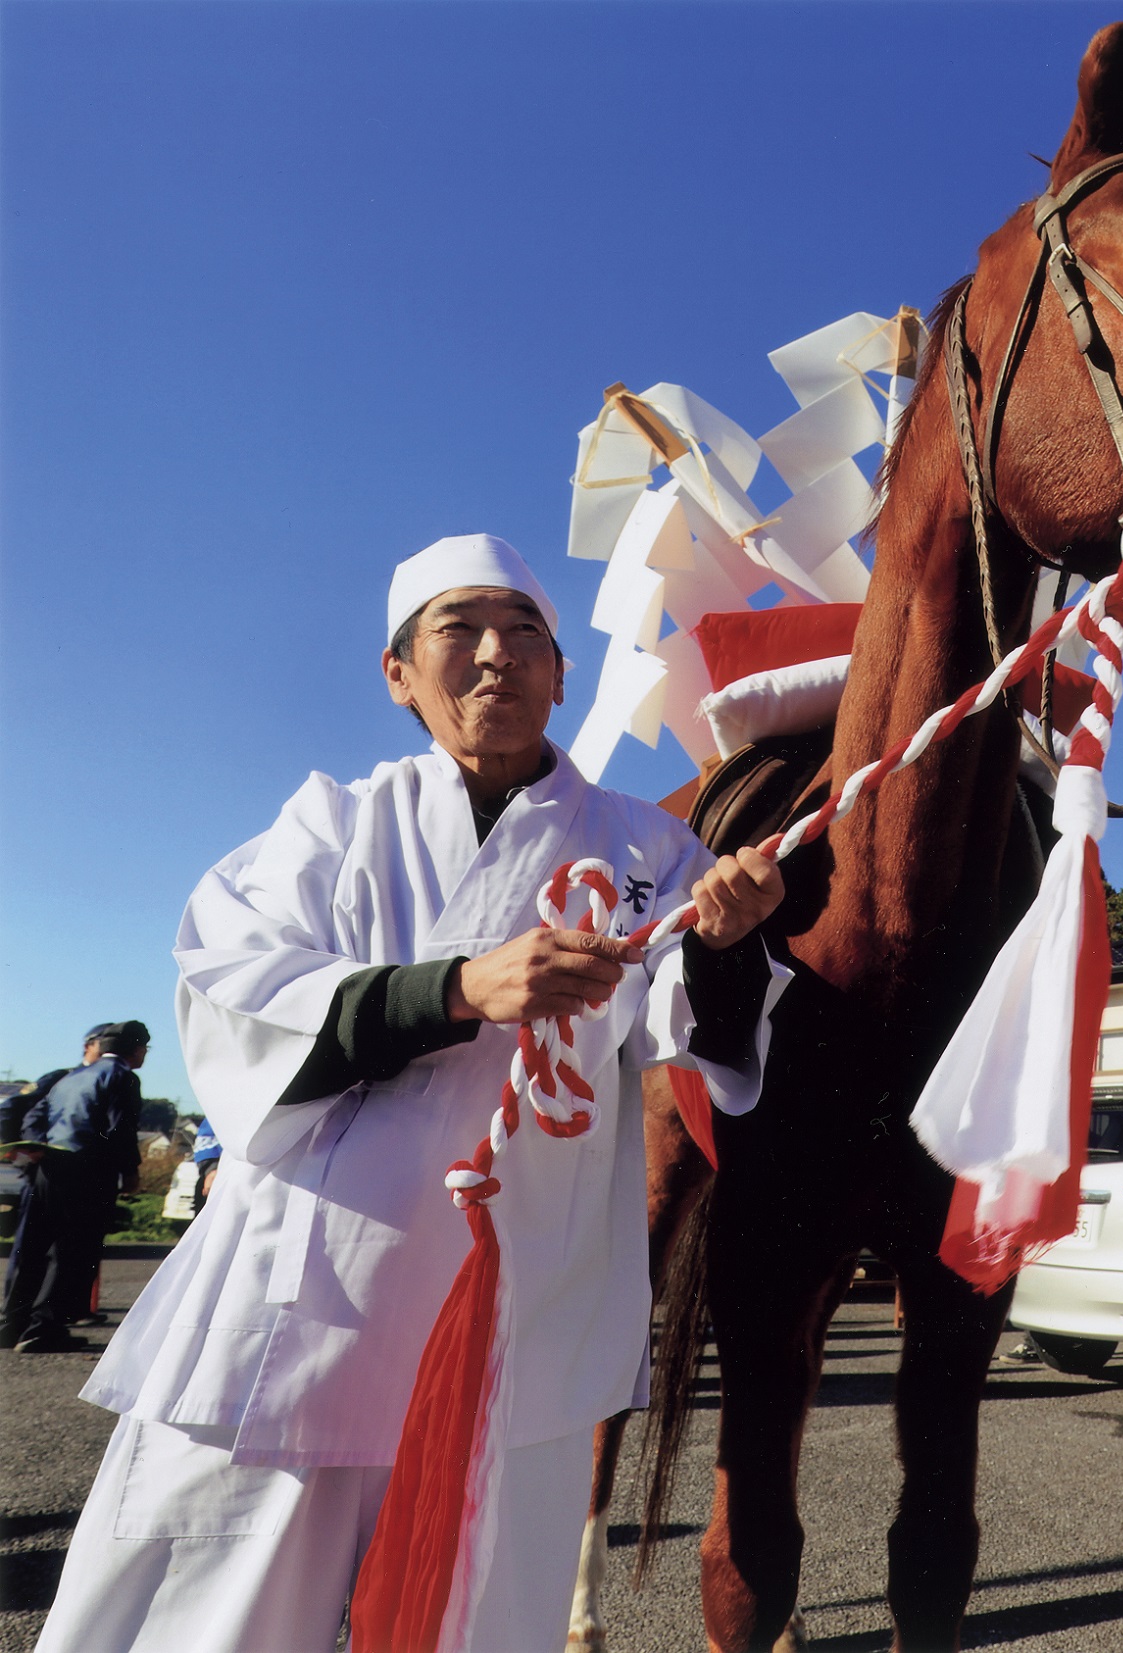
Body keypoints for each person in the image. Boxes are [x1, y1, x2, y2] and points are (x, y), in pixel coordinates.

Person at [38, 535, 790, 1653]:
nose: (498, 656)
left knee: (476, 1626)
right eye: (461, 630)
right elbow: (236, 993)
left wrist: (728, 944)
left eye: (526, 632)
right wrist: (454, 989)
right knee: (205, 1621)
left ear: (562, 673)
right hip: (305, 1302)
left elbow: (689, 1028)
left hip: (518, 1317)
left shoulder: (648, 847)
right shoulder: (328, 830)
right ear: (398, 674)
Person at [3, 1023, 147, 1353]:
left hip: (49, 1167)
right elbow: (120, 1127)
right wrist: (130, 1171)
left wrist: (38, 1147)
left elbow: (37, 1113)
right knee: (71, 1251)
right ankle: (46, 1328)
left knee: (34, 1246)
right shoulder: (122, 1076)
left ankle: (14, 1325)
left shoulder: (70, 1077)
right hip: (87, 1171)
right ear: (136, 1049)